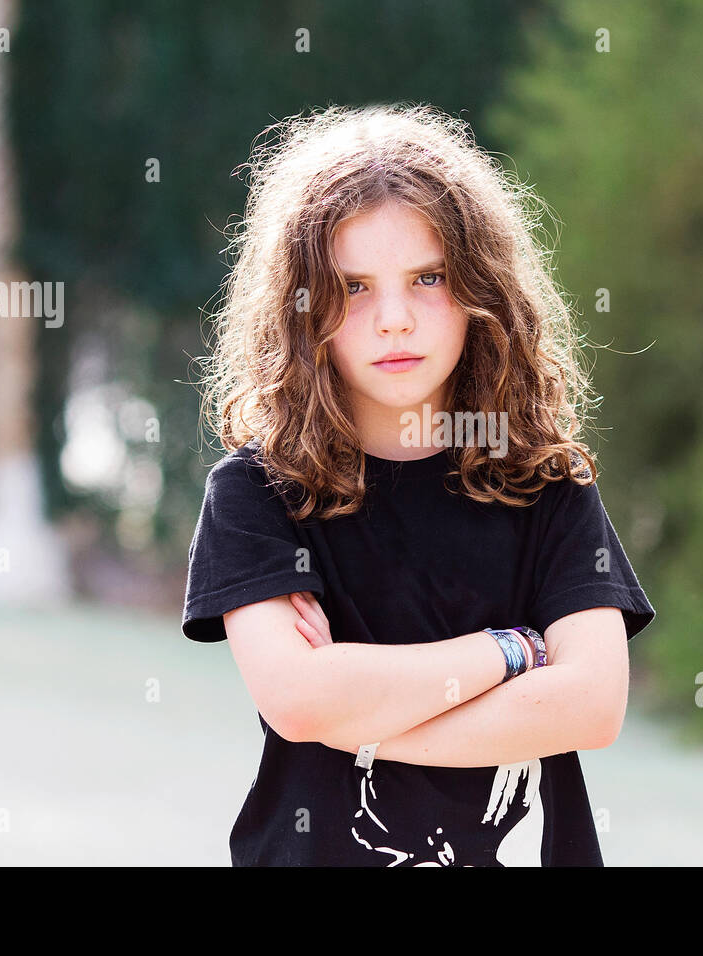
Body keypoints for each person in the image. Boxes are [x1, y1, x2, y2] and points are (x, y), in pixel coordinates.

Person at [182, 103, 656, 866]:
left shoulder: (545, 481)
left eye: (428, 278)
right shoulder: (258, 493)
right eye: (356, 287)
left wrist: (362, 716)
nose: (394, 319)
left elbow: (592, 706)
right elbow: (301, 700)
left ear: (482, 291)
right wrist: (511, 650)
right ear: (301, 309)